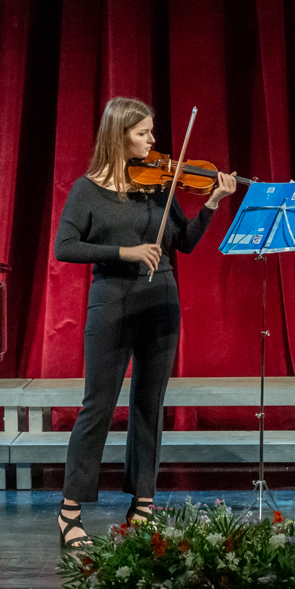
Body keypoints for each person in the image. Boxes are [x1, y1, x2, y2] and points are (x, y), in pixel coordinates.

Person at [53, 96, 237, 547]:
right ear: (119, 135)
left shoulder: (158, 186)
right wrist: (125, 252)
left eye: (151, 132)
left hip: (161, 302)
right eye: (143, 133)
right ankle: (70, 511)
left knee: (149, 406)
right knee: (97, 406)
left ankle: (143, 506)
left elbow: (185, 243)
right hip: (112, 302)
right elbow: (65, 247)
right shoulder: (87, 189)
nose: (153, 141)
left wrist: (212, 203)